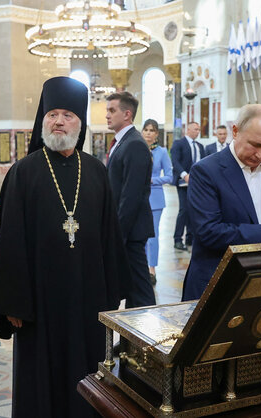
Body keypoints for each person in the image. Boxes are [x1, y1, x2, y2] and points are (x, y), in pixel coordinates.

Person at [0, 76, 129, 418]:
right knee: (40, 381)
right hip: (38, 304)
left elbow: (111, 235)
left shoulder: (96, 172)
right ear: (43, 121)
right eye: (51, 114)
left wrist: (112, 295)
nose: (58, 121)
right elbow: (8, 242)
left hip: (87, 297)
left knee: (88, 375)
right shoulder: (23, 173)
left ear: (79, 124)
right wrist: (13, 303)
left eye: (67, 114)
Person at [181, 104, 261, 301]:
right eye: (255, 144)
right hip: (216, 285)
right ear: (235, 131)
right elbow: (208, 232)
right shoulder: (206, 171)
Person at [105, 91, 155, 308]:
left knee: (140, 289)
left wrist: (118, 234)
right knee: (132, 288)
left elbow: (131, 196)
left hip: (130, 231)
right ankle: (132, 338)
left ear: (127, 114)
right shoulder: (122, 141)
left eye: (112, 110)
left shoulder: (134, 144)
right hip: (126, 229)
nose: (107, 115)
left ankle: (149, 338)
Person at [142, 119, 173, 285]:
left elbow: (169, 176)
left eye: (151, 130)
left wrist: (153, 180)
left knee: (152, 236)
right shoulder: (137, 149)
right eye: (145, 129)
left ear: (156, 134)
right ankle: (139, 267)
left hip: (155, 197)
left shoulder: (161, 152)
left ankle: (151, 269)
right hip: (138, 197)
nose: (148, 133)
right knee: (138, 234)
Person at [170, 122, 206, 251]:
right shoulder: (179, 144)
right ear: (188, 129)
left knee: (194, 210)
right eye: (195, 129)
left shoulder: (200, 147)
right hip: (183, 182)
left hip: (197, 185)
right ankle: (178, 239)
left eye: (199, 129)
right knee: (184, 210)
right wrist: (185, 175)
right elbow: (175, 161)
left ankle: (190, 238)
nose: (198, 131)